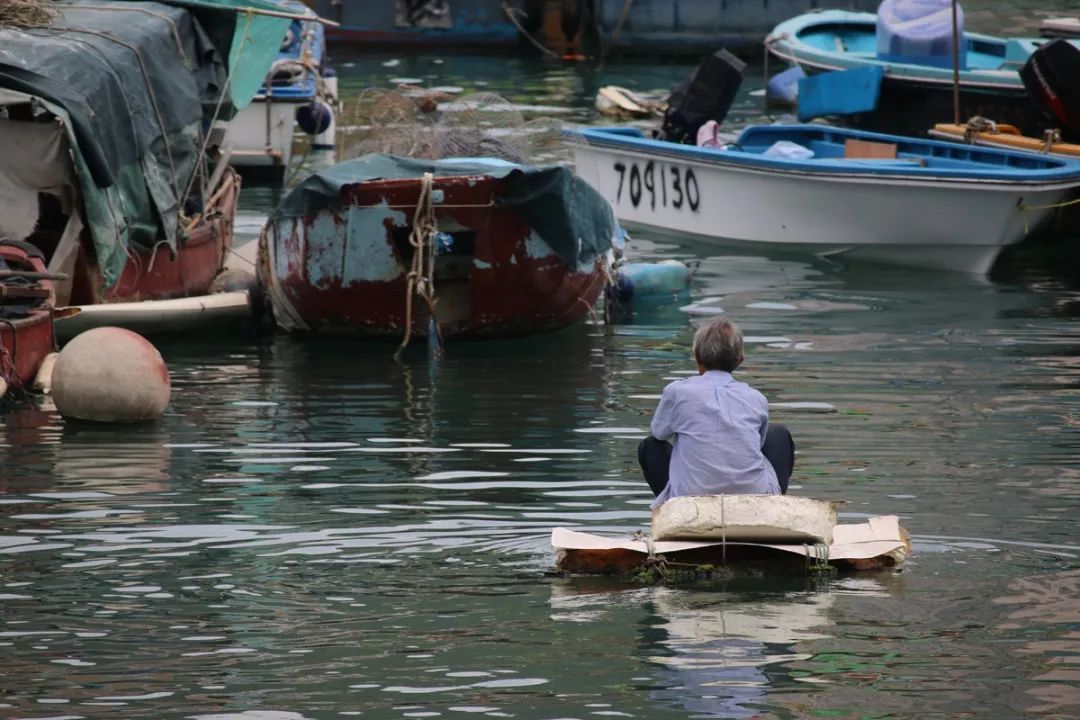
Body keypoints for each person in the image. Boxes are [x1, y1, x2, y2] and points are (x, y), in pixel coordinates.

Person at [638, 316, 795, 507]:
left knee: (651, 445)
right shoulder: (756, 398)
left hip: (690, 499)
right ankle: (774, 507)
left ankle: (674, 509)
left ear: (697, 356)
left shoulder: (676, 392)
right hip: (755, 499)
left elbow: (659, 433)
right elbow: (758, 444)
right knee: (777, 434)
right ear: (740, 360)